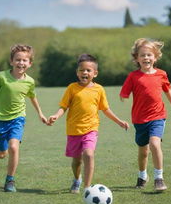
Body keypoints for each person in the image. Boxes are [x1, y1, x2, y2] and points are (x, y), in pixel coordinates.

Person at [47, 53, 129, 194]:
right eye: (81, 70)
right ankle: (76, 179)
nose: (85, 72)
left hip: (91, 128)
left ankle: (87, 188)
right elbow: (63, 107)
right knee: (77, 161)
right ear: (77, 72)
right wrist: (56, 115)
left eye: (88, 70)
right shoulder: (72, 88)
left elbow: (105, 109)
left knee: (89, 155)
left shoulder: (99, 89)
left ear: (95, 73)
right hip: (73, 130)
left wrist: (119, 121)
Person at [0, 44, 47, 192]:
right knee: (2, 153)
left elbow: (32, 96)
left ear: (30, 64)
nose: (21, 63)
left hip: (17, 119)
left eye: (24, 60)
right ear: (11, 61)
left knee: (13, 147)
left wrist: (40, 114)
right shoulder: (2, 77)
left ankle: (10, 180)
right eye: (18, 59)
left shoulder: (29, 81)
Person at [120, 38, 171, 192]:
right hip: (139, 119)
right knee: (143, 152)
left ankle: (159, 178)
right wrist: (123, 95)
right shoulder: (133, 76)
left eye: (149, 55)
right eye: (142, 55)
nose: (146, 58)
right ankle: (142, 175)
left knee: (155, 144)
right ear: (137, 58)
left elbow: (167, 90)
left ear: (155, 57)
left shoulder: (161, 74)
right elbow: (125, 91)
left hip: (158, 116)